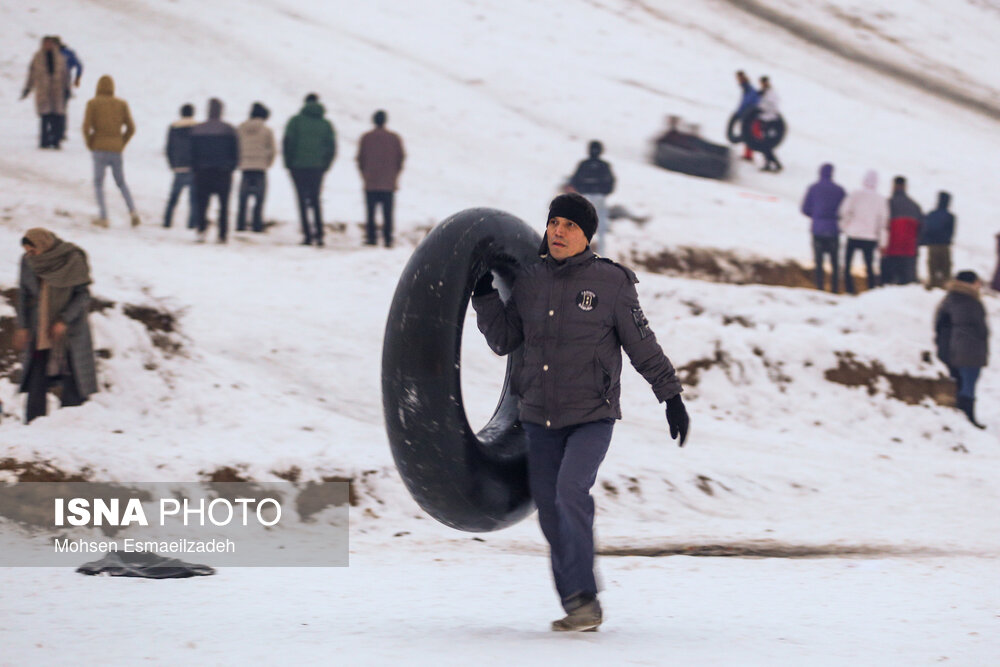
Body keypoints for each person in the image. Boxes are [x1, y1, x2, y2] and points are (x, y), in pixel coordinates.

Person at [471, 193, 690, 632]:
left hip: (591, 415)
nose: (558, 231)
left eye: (569, 225)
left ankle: (586, 596)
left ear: (587, 235)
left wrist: (671, 397)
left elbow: (642, 345)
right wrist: (484, 295)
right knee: (550, 510)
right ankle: (576, 602)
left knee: (570, 491)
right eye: (554, 222)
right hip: (539, 418)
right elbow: (504, 340)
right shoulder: (530, 280)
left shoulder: (611, 283)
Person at [14, 229, 98, 424]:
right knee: (37, 375)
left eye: (33, 250)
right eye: (27, 251)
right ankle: (34, 423)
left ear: (43, 244)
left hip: (70, 329)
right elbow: (23, 294)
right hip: (40, 327)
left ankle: (71, 422)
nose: (30, 255)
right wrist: (23, 326)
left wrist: (64, 320)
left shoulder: (72, 258)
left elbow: (83, 295)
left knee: (73, 375)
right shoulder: (28, 262)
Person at [82, 75, 139, 228]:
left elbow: (86, 128)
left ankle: (104, 217)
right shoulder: (121, 104)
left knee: (98, 183)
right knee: (121, 182)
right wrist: (121, 143)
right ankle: (133, 211)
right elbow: (131, 128)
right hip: (116, 150)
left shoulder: (92, 103)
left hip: (99, 148)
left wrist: (90, 143)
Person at [934, 271, 989, 429]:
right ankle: (967, 417)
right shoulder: (967, 301)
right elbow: (976, 326)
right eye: (977, 282)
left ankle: (963, 417)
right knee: (967, 385)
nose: (979, 285)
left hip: (956, 349)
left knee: (962, 383)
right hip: (968, 350)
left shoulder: (951, 299)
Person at [283, 93, 336, 246]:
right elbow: (331, 147)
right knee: (316, 200)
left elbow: (288, 143)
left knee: (301, 201)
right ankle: (319, 234)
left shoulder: (295, 121)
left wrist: (288, 163)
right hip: (317, 167)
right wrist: (325, 165)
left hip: (298, 167)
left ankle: (307, 235)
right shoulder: (326, 124)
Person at [190, 98, 239, 243]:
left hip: (202, 172)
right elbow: (235, 152)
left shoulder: (197, 129)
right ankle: (222, 234)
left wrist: (195, 168)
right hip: (223, 173)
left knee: (202, 204)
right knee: (224, 205)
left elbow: (192, 152)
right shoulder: (229, 129)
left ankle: (201, 230)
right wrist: (230, 167)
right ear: (221, 111)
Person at [357, 109, 405, 248]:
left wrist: (365, 174)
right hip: (388, 182)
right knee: (388, 213)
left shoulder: (366, 138)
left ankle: (371, 237)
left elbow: (360, 159)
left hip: (371, 181)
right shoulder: (394, 138)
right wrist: (394, 174)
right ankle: (388, 238)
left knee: (370, 212)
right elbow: (401, 158)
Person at [840, 170, 888, 293]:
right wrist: (882, 242)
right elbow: (883, 222)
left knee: (848, 265)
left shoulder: (855, 194)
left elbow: (844, 211)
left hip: (854, 234)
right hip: (870, 237)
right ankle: (871, 290)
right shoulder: (880, 199)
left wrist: (845, 227)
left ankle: (850, 290)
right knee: (869, 266)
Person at [801, 163, 846, 293]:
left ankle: (820, 288)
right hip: (833, 230)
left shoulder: (813, 188)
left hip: (818, 230)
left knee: (819, 262)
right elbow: (845, 210)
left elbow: (805, 208)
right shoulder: (839, 190)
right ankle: (834, 289)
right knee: (834, 262)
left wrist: (816, 216)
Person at [20, 36, 69, 149]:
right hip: (43, 92)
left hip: (57, 92)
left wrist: (67, 89)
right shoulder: (37, 57)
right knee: (45, 117)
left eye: (50, 43)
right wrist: (27, 88)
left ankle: (56, 141)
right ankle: (44, 141)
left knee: (56, 117)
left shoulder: (60, 57)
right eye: (46, 43)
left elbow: (65, 74)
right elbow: (31, 74)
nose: (48, 45)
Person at [568, 141, 615, 255]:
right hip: (599, 197)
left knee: (582, 226)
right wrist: (603, 192)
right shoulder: (604, 165)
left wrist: (581, 190)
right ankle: (601, 254)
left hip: (586, 197)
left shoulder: (584, 164)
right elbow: (611, 182)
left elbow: (574, 180)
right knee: (601, 228)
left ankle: (580, 253)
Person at [236, 102, 276, 233]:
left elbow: (235, 146)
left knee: (243, 199)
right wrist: (267, 163)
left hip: (245, 167)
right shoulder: (267, 130)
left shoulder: (240, 128)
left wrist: (239, 162)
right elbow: (272, 150)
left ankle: (240, 224)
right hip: (260, 168)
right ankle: (256, 225)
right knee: (259, 199)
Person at [881, 176, 923, 285]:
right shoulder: (915, 206)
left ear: (894, 186)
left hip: (891, 250)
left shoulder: (887, 204)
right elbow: (922, 229)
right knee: (907, 285)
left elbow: (881, 226)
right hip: (909, 251)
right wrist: (916, 244)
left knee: (888, 286)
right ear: (905, 187)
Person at [163, 103, 198, 229]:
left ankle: (167, 222)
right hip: (193, 168)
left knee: (173, 198)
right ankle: (191, 225)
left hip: (178, 167)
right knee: (193, 200)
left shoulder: (173, 127)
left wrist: (172, 164)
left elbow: (168, 148)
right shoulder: (197, 127)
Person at [920, 192, 955, 289]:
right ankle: (945, 287)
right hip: (944, 246)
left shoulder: (931, 214)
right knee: (946, 270)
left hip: (933, 245)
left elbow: (926, 229)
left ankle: (931, 287)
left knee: (932, 269)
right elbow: (951, 232)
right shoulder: (950, 216)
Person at [52, 36, 82, 143]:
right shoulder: (49, 54)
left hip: (64, 85)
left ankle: (61, 132)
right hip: (51, 86)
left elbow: (79, 66)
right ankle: (54, 131)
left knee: (61, 109)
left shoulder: (67, 53)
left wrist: (77, 78)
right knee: (52, 109)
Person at [757, 75, 782, 173]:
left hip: (770, 121)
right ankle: (768, 164)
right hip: (764, 120)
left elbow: (772, 106)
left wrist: (763, 107)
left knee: (766, 145)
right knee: (764, 144)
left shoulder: (771, 94)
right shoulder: (764, 93)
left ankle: (777, 164)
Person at [734, 70, 759, 161]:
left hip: (751, 116)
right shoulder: (746, 89)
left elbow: (750, 103)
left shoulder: (750, 90)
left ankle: (749, 155)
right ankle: (747, 154)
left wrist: (744, 112)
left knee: (751, 135)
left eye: (739, 79)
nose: (738, 81)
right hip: (747, 116)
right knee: (748, 134)